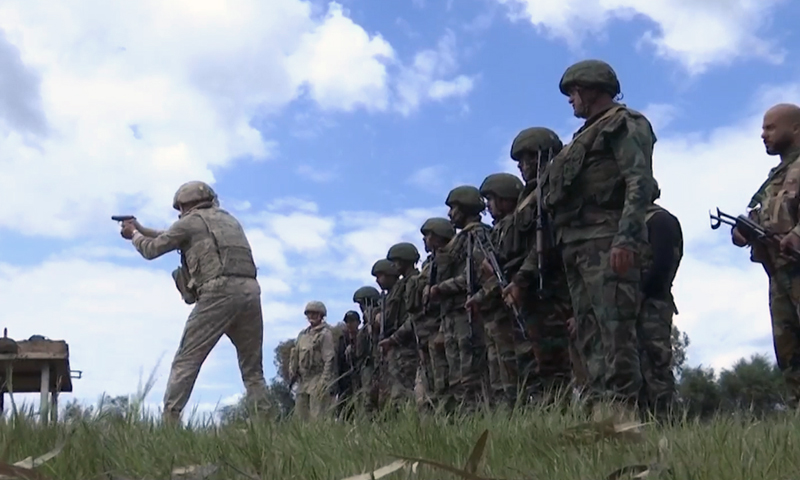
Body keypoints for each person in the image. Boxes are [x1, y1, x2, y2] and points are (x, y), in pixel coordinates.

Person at [540, 59, 657, 416]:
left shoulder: (624, 123)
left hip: (607, 240)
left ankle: (625, 416)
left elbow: (639, 182)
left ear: (591, 89)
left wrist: (626, 239)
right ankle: (602, 415)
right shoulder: (582, 138)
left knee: (616, 333)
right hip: (577, 247)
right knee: (590, 335)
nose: (570, 100)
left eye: (574, 92)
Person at [119, 180, 269, 423]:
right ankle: (266, 424)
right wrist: (142, 227)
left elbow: (152, 250)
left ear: (183, 204)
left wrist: (134, 234)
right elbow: (176, 234)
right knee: (253, 370)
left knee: (186, 361)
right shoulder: (229, 220)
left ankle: (170, 422)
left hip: (218, 293)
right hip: (250, 292)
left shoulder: (189, 222)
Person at [734, 103, 800, 408]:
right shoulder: (774, 180)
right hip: (780, 277)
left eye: (770, 127)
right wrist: (743, 230)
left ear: (796, 129)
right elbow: (754, 217)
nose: (763, 134)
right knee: (789, 353)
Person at [501, 127, 574, 400]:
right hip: (530, 290)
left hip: (550, 289)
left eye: (527, 158)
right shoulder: (527, 198)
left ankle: (562, 416)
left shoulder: (553, 187)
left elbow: (547, 240)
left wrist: (521, 279)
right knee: (535, 364)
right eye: (519, 161)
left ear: (542, 156)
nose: (522, 166)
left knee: (555, 364)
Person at [428, 185, 491, 410]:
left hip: (468, 313)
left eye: (453, 208)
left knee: (470, 373)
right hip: (453, 316)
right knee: (456, 374)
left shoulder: (477, 235)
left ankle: (476, 416)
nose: (450, 214)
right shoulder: (462, 239)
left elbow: (474, 276)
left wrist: (441, 288)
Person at [468, 172, 528, 406]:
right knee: (499, 373)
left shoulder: (514, 224)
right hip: (498, 304)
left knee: (517, 366)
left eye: (491, 199)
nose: (488, 206)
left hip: (515, 301)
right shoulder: (496, 231)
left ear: (504, 199)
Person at [638, 180, 683, 417]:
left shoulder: (659, 220)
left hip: (653, 304)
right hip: (634, 305)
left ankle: (665, 420)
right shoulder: (630, 225)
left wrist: (642, 294)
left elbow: (663, 266)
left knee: (656, 364)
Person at [378, 243, 421, 407]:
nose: (394, 266)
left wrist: (394, 338)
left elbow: (414, 317)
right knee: (395, 394)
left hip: (407, 345)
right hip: (399, 346)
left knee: (405, 393)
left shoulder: (414, 281)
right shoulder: (402, 286)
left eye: (396, 261)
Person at [289, 301, 336, 420]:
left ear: (321, 315)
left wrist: (323, 382)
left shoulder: (325, 334)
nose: (312, 316)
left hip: (317, 377)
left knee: (318, 417)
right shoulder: (302, 335)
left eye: (315, 314)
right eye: (309, 314)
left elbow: (329, 359)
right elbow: (295, 355)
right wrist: (293, 373)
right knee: (300, 417)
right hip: (303, 379)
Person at [335, 310, 362, 418]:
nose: (349, 324)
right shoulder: (342, 340)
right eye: (347, 322)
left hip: (360, 379)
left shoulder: (363, 336)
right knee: (344, 412)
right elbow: (338, 361)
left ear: (358, 322)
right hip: (345, 381)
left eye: (352, 321)